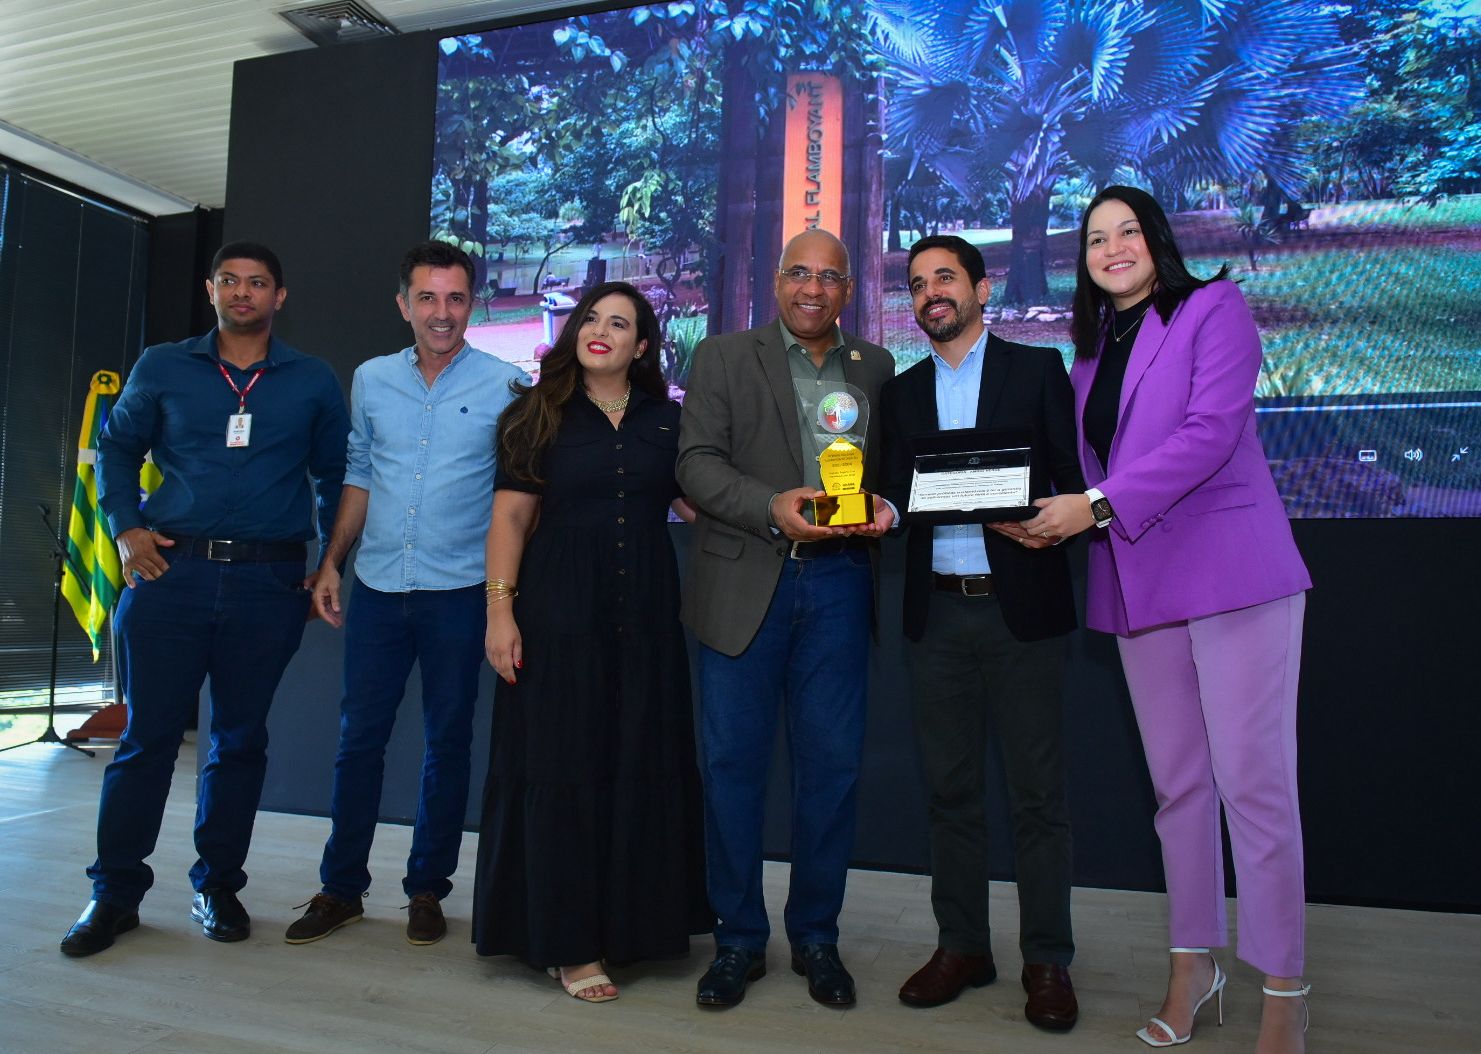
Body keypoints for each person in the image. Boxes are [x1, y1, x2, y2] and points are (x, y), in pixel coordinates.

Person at [1022, 186, 1312, 1053]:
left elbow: (1208, 433)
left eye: (1127, 232)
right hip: (1138, 588)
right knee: (1176, 791)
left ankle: (1285, 993)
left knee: (1253, 790)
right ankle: (1194, 968)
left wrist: (1095, 506)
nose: (1112, 248)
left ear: (1157, 240)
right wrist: (1036, 510)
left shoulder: (1212, 308)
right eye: (1095, 238)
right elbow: (1084, 466)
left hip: (1233, 578)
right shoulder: (1088, 352)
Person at [62, 242, 348, 957]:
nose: (243, 292)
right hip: (170, 577)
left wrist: (330, 563)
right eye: (231, 281)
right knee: (146, 740)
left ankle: (217, 885)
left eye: (257, 283)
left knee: (239, 742)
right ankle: (114, 893)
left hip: (268, 583)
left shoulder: (310, 380)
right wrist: (126, 529)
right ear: (211, 290)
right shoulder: (164, 365)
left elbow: (339, 475)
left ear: (279, 297)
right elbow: (117, 447)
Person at [474, 281, 712, 1002]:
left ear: (642, 347)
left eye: (620, 323)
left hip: (644, 616)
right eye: (591, 319)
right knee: (563, 767)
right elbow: (510, 522)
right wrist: (499, 614)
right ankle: (567, 944)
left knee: (636, 760)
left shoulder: (667, 423)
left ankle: (632, 930)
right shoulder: (534, 414)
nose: (600, 331)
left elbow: (696, 501)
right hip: (556, 617)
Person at [676, 229, 895, 1009]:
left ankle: (816, 938)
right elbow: (695, 463)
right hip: (743, 587)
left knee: (830, 773)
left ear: (847, 288)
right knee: (731, 768)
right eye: (799, 273)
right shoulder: (724, 357)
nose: (812, 288)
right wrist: (768, 508)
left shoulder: (875, 366)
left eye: (828, 277)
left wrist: (886, 507)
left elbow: (890, 467)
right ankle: (737, 939)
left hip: (838, 585)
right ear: (775, 281)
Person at [284, 241, 525, 947]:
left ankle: (427, 889)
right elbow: (358, 477)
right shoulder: (371, 380)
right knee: (359, 741)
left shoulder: (507, 386)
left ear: (470, 304)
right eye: (427, 298)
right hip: (380, 588)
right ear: (403, 305)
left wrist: (502, 599)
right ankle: (340, 888)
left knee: (447, 746)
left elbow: (517, 501)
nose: (441, 313)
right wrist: (332, 562)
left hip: (458, 593)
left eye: (454, 299)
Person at [878, 235, 1084, 1030]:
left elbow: (1069, 481)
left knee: (1037, 798)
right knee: (949, 793)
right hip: (937, 616)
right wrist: (876, 513)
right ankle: (961, 945)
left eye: (945, 278)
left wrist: (1049, 521)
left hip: (1019, 612)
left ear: (979, 288)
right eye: (918, 282)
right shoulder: (901, 394)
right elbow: (898, 495)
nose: (931, 292)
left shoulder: (1037, 370)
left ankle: (1047, 961)